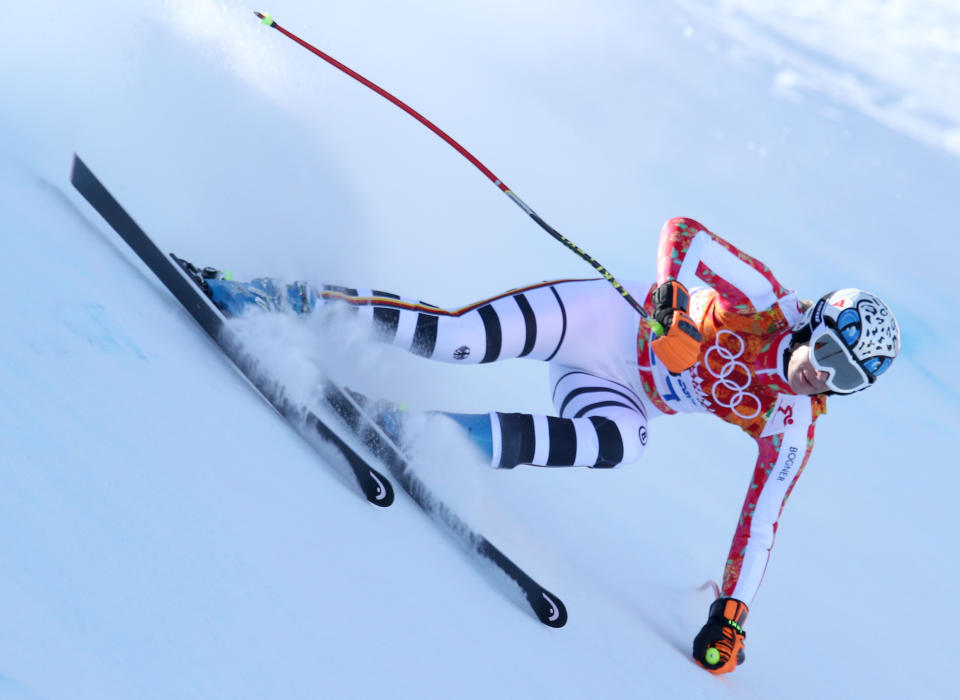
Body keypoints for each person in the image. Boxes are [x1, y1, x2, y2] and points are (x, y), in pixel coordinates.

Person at [176, 216, 900, 674]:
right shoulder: (766, 301)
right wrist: (672, 309)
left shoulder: (793, 422)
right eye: (827, 352)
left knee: (626, 443)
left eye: (842, 379)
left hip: (623, 393)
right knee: (459, 339)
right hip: (600, 325)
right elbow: (687, 234)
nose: (818, 375)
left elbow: (762, 519)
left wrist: (731, 617)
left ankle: (419, 430)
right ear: (816, 324)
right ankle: (272, 296)